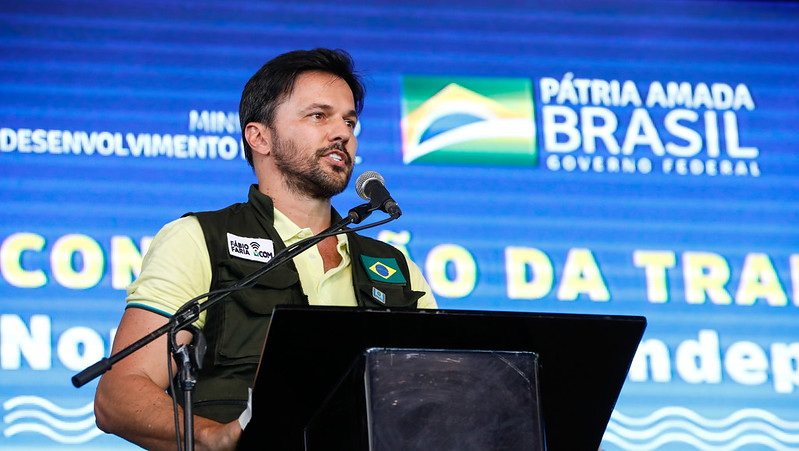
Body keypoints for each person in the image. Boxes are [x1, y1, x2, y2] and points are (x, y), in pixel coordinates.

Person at [94, 48, 437, 451]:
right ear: (260, 137)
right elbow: (118, 395)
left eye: (349, 121)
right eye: (318, 115)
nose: (342, 133)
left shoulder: (397, 267)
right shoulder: (199, 239)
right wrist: (215, 437)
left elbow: (444, 393)